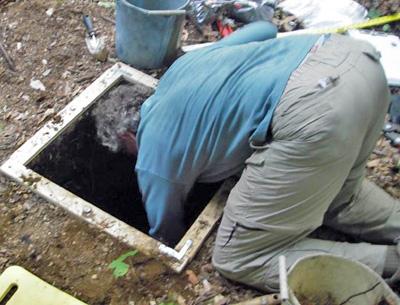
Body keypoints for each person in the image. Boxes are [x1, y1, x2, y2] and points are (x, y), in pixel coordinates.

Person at [94, 21, 400, 290]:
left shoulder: (152, 151)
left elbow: (166, 233)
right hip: (359, 66)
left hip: (316, 114)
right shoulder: (184, 67)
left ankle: (391, 261)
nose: (135, 159)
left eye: (129, 152)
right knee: (340, 196)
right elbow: (263, 29)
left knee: (238, 257)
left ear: (126, 136)